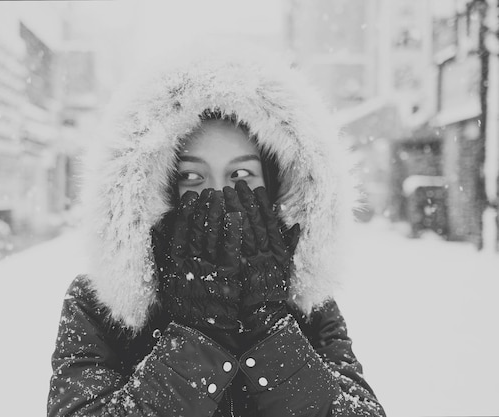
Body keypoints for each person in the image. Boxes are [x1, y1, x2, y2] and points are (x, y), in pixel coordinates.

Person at [47, 46, 387, 417]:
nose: (219, 197)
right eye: (193, 177)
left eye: (241, 176)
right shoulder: (98, 307)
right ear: (159, 191)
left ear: (274, 189)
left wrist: (270, 330)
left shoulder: (309, 309)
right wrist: (197, 336)